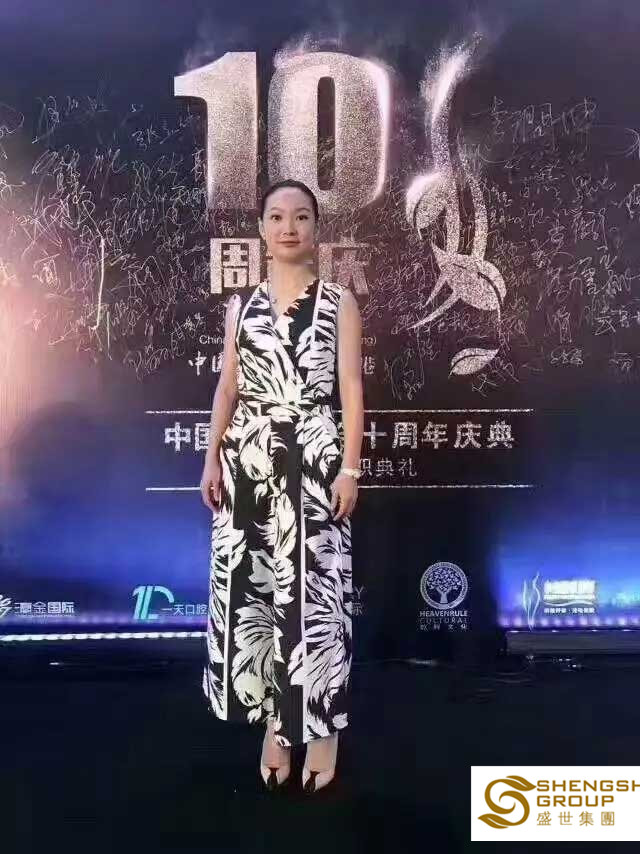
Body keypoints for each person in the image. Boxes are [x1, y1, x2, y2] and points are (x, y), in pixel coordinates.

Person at [199, 178, 364, 793]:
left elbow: (351, 387)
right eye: (276, 216)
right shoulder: (240, 306)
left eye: (301, 217)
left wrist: (350, 467)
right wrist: (211, 459)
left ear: (316, 229)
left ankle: (322, 733)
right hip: (249, 462)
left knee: (314, 599)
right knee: (259, 596)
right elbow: (228, 385)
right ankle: (276, 727)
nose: (288, 227)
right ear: (262, 230)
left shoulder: (339, 301)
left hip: (315, 460)